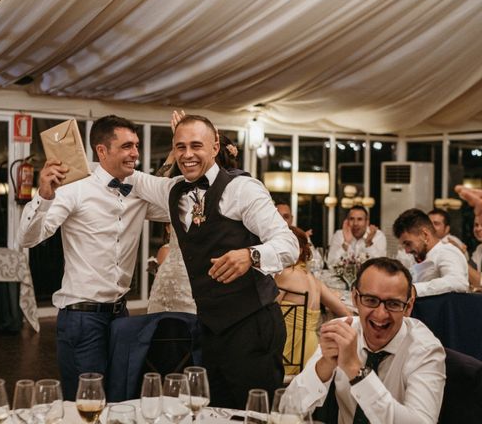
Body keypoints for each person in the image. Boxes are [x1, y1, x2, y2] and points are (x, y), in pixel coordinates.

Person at [131, 114, 299, 409]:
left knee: (253, 413)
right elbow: (132, 178)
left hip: (252, 324)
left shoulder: (243, 189)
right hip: (210, 327)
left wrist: (251, 255)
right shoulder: (172, 190)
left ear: (215, 146)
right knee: (214, 410)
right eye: (180, 147)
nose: (188, 154)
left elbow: (289, 245)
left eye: (196, 145)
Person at [16, 115, 167, 400]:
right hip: (81, 319)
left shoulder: (138, 190)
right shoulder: (74, 189)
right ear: (102, 150)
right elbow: (27, 238)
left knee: (121, 397)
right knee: (87, 402)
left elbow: (177, 211)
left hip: (121, 315)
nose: (135, 152)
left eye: (136, 145)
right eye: (126, 146)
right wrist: (44, 195)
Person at [283, 257, 446, 423]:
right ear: (354, 298)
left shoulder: (424, 349)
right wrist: (324, 365)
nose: (380, 314)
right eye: (371, 300)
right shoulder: (342, 331)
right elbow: (288, 408)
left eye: (393, 304)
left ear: (408, 307)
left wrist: (356, 370)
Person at [147, 133, 243, 315]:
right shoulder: (179, 191)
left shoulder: (235, 194)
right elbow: (152, 192)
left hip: (206, 285)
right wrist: (174, 152)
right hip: (170, 283)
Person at [275, 226, 350, 375]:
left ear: (299, 250)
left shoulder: (284, 275)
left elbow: (266, 316)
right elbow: (347, 314)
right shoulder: (315, 281)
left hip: (286, 354)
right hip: (312, 354)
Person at [393, 208, 468, 297]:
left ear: (425, 235)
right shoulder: (419, 256)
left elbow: (458, 282)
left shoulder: (446, 252)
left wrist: (415, 289)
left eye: (408, 243)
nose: (407, 250)